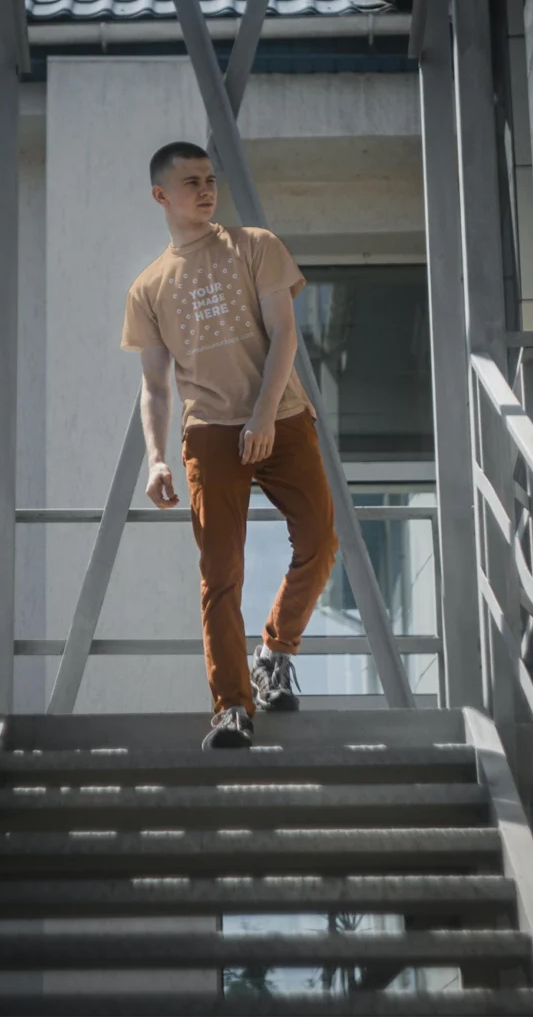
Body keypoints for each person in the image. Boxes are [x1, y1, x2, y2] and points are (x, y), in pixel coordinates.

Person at [121, 141, 338, 750]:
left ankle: (275, 650)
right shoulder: (149, 288)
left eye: (210, 179)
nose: (206, 189)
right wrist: (157, 457)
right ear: (162, 195)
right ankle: (232, 708)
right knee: (221, 572)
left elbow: (285, 335)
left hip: (284, 416)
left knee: (320, 540)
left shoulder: (256, 246)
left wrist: (264, 416)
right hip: (209, 433)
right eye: (191, 182)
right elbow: (155, 385)